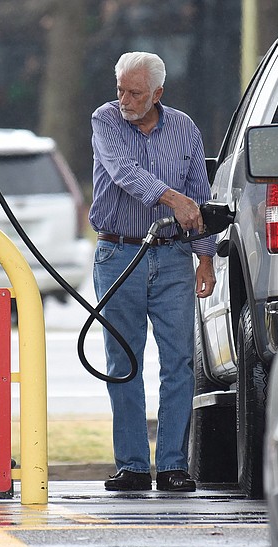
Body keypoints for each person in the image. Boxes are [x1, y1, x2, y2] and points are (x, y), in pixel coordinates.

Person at [89, 51, 216, 492]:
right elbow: (123, 172)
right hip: (119, 254)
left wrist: (205, 257)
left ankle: (175, 465)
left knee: (178, 362)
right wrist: (171, 198)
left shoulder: (184, 129)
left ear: (158, 93)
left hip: (174, 258)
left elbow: (198, 193)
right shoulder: (105, 120)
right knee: (123, 360)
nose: (124, 98)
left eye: (135, 92)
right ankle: (132, 466)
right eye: (121, 88)